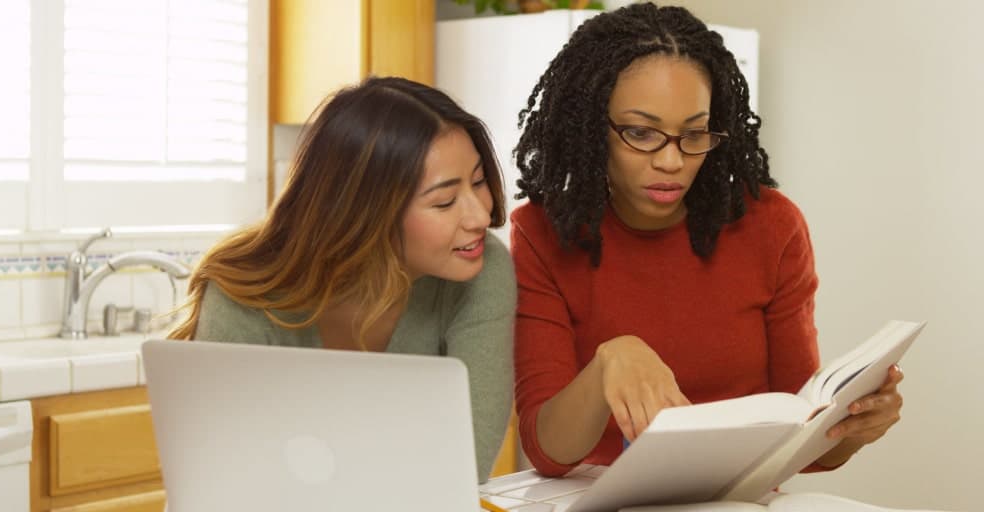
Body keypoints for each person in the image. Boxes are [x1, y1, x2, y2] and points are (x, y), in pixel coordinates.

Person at [510, 3, 904, 476]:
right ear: (593, 129)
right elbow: (548, 452)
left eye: (694, 134)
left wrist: (854, 428)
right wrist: (609, 362)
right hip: (599, 499)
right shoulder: (541, 234)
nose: (673, 161)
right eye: (641, 132)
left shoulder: (772, 227)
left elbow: (804, 438)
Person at [168, 76, 515, 483]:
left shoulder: (481, 270)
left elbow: (464, 467)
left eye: (478, 182)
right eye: (444, 201)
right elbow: (221, 478)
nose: (479, 217)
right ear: (367, 212)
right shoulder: (242, 293)